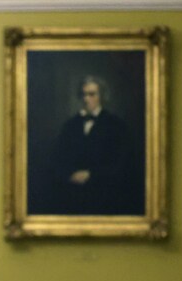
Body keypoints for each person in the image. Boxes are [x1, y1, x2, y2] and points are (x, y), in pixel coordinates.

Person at [45, 76, 143, 215]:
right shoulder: (70, 125)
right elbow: (57, 158)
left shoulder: (116, 125)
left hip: (104, 196)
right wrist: (69, 174)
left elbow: (121, 163)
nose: (86, 99)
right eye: (84, 94)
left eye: (92, 94)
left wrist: (91, 174)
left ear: (102, 96)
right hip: (72, 196)